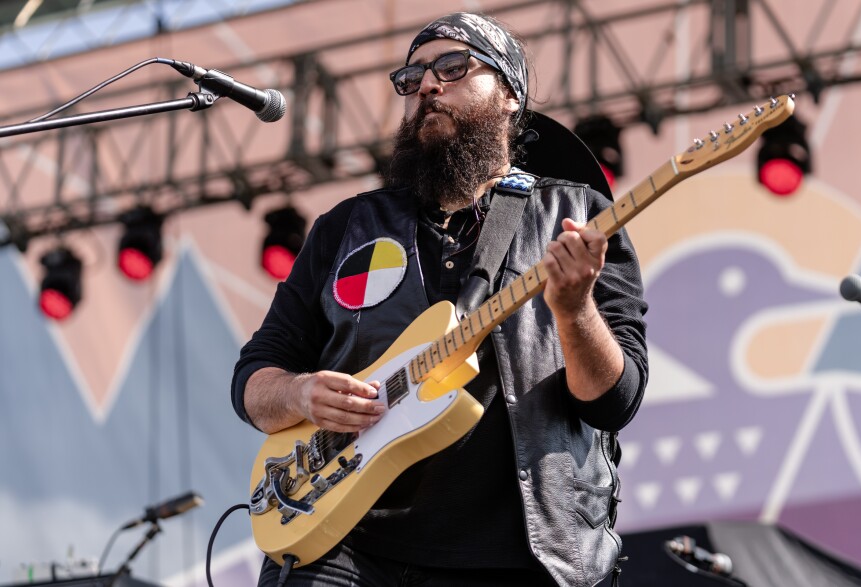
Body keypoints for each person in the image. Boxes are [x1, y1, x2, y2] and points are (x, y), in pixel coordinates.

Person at [232, 12, 648, 587]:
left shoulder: (574, 215)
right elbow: (255, 374)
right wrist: (299, 392)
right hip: (349, 547)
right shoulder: (348, 227)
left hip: (523, 555)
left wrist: (574, 311)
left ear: (508, 94)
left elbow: (613, 402)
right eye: (411, 77)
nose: (427, 85)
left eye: (453, 66)